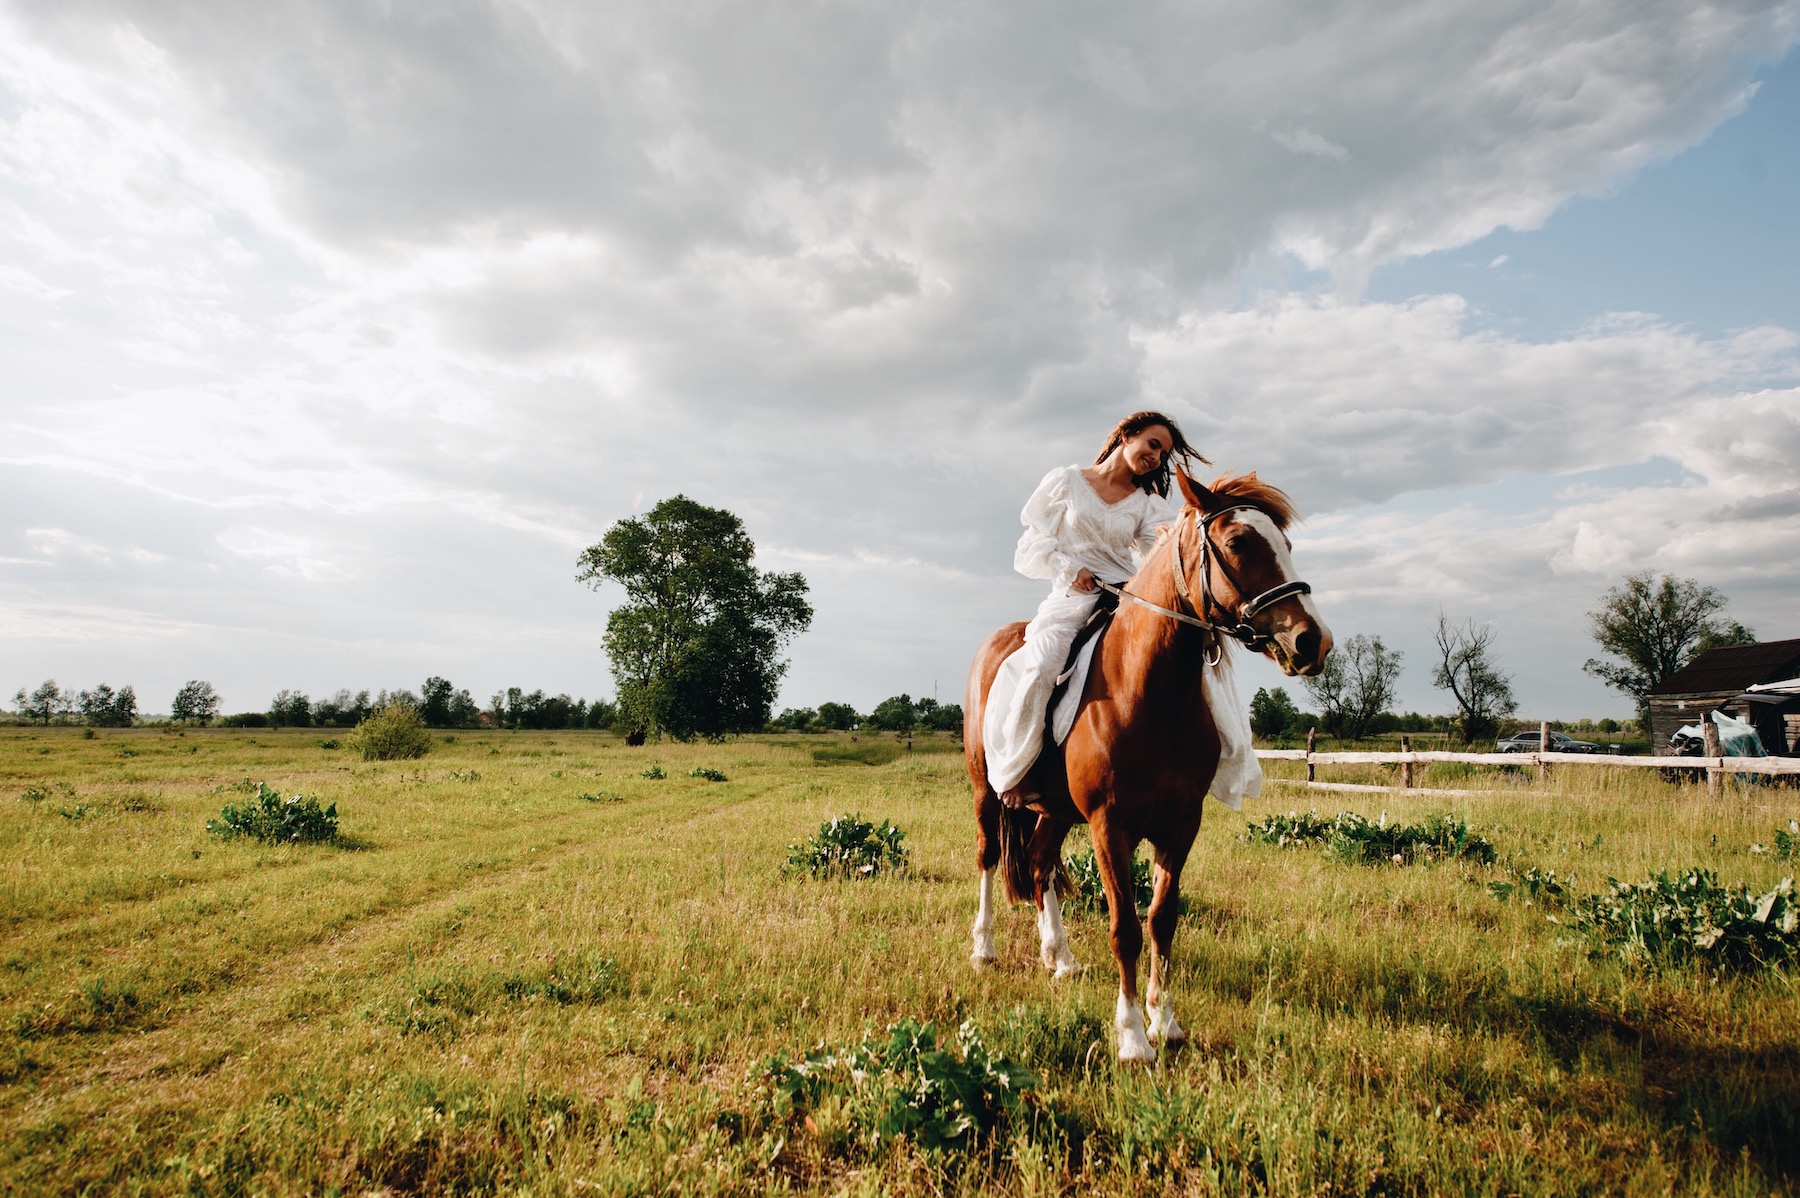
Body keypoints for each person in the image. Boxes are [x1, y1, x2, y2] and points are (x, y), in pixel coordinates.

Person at [984, 410, 1206, 806]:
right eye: (1153, 444)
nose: (1156, 457)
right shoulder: (1066, 481)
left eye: (1164, 453)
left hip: (1124, 597)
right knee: (1043, 660)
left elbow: (1160, 549)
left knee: (1191, 663)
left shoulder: (1146, 504)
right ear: (1127, 435)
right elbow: (1032, 542)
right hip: (1072, 596)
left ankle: (1208, 763)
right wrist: (1070, 568)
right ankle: (1019, 772)